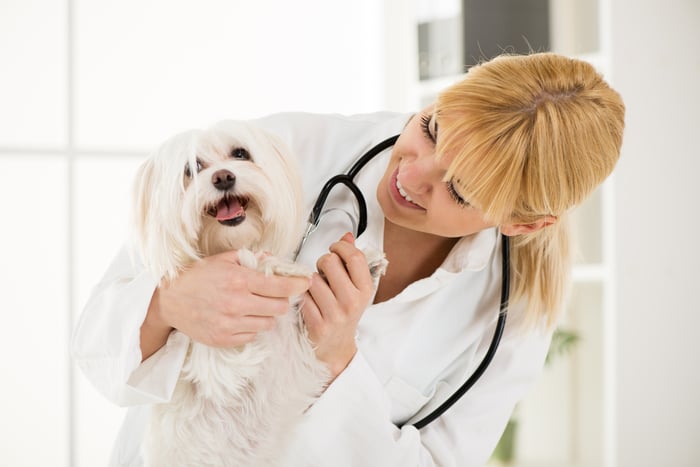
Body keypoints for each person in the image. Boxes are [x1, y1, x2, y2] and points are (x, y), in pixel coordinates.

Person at [71, 52, 625, 466]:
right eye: (431, 129)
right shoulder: (282, 151)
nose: (411, 174)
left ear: (522, 223)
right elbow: (95, 347)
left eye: (459, 190)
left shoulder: (513, 321)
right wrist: (167, 304)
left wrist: (338, 362)